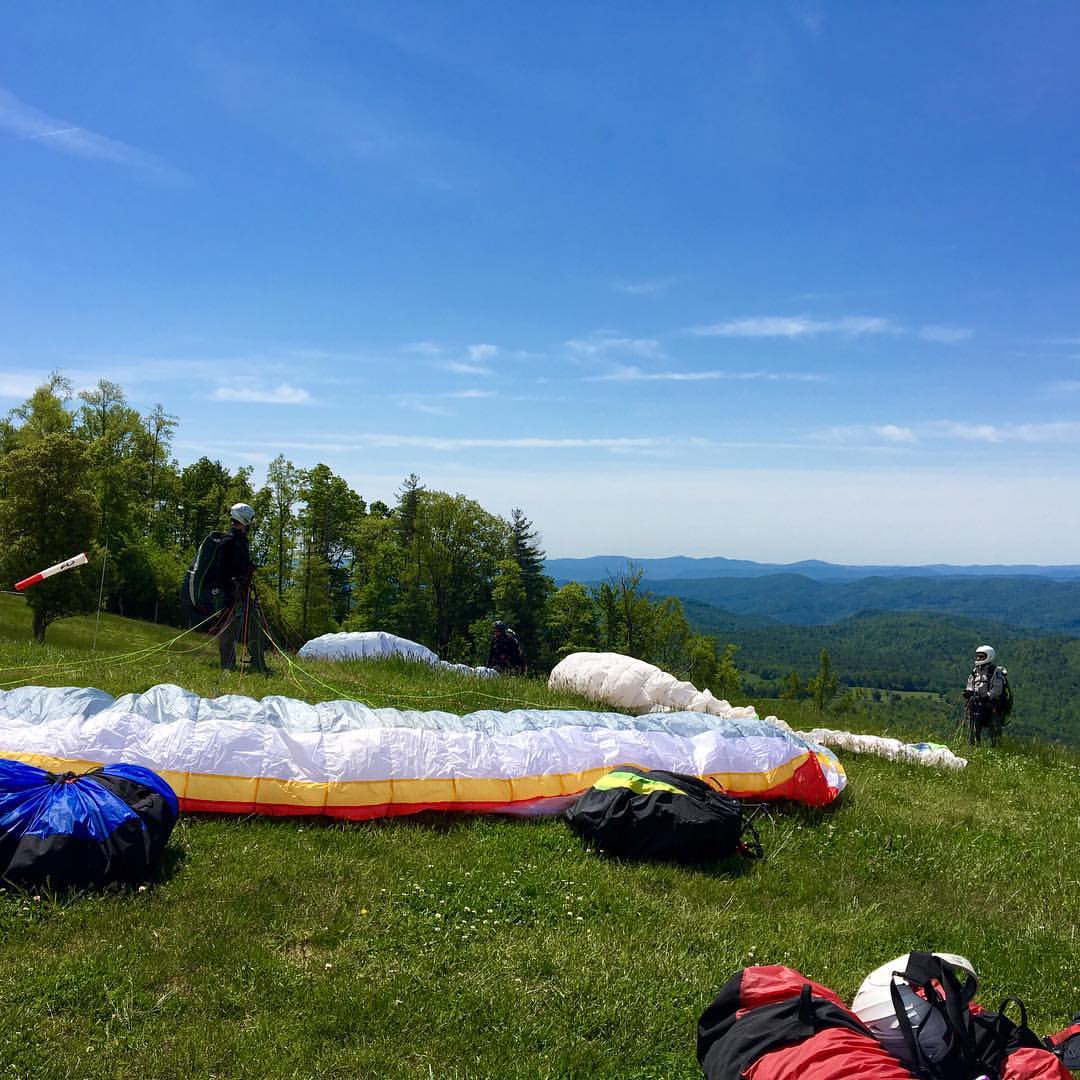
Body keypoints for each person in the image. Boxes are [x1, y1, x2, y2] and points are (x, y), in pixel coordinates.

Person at [217, 502, 270, 674]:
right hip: (232, 594)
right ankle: (227, 665)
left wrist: (249, 569)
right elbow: (222, 570)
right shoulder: (228, 542)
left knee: (256, 626)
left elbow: (241, 565)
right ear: (244, 519)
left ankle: (258, 665)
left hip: (244, 591)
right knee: (228, 630)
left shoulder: (241, 540)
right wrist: (231, 589)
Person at [962, 644, 1006, 746]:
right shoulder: (975, 671)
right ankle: (973, 747)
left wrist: (987, 695)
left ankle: (996, 748)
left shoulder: (996, 671)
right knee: (973, 728)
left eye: (981, 656)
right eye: (977, 656)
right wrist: (969, 692)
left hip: (991, 705)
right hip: (976, 704)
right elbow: (970, 684)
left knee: (994, 730)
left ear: (989, 656)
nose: (978, 658)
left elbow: (997, 689)